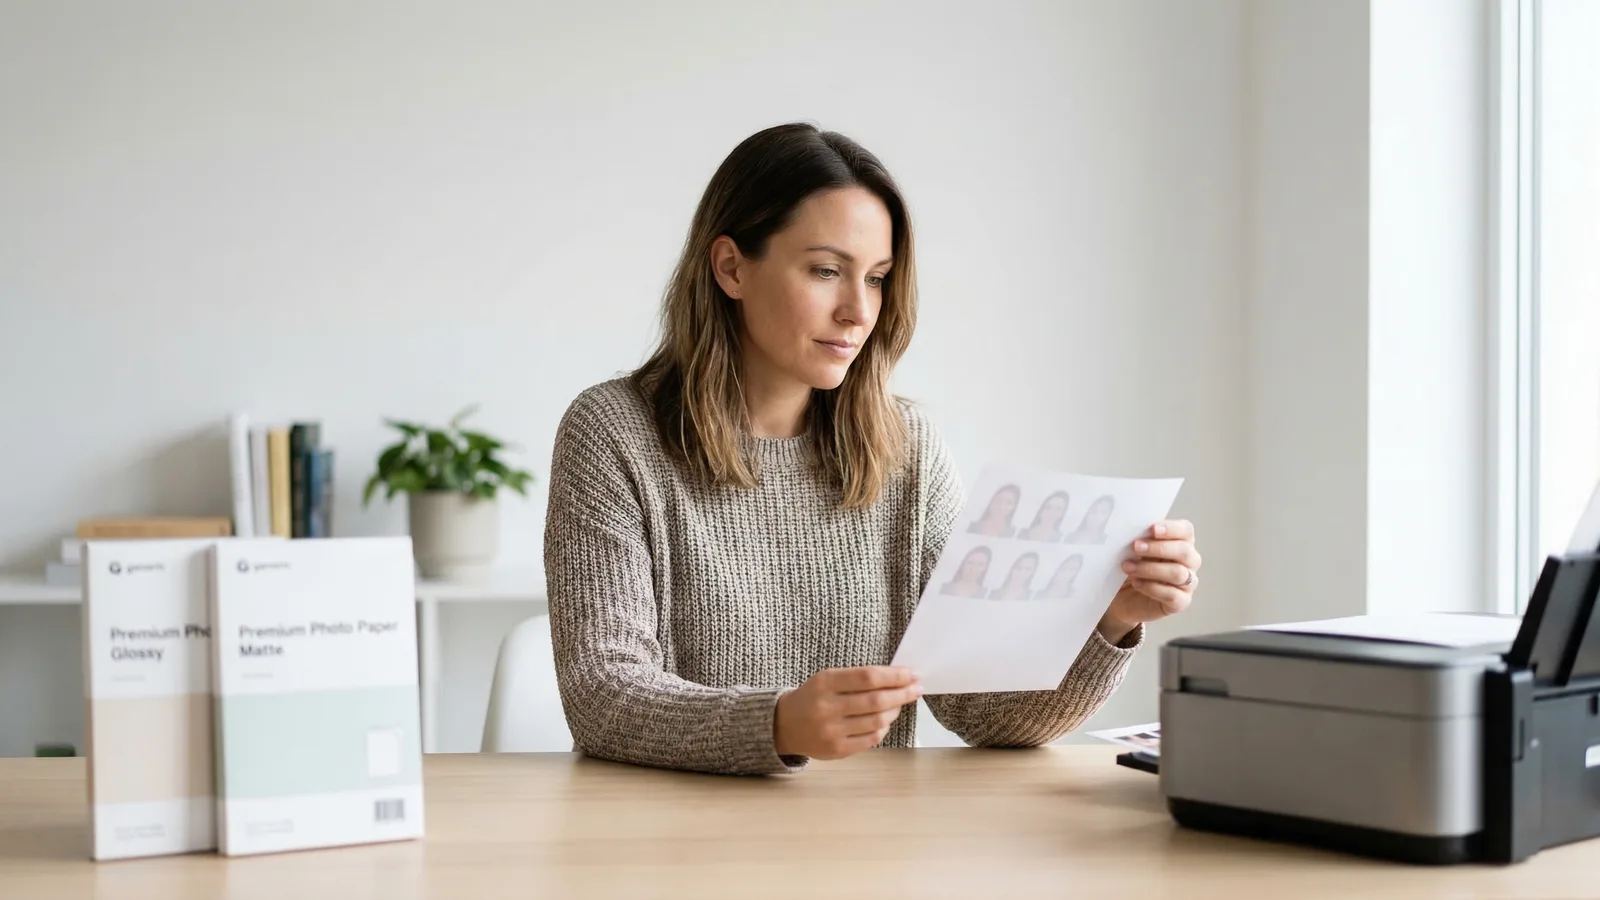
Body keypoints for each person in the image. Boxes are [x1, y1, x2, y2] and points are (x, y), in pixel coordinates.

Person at [543, 122, 1203, 776]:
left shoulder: (906, 449)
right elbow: (603, 694)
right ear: (731, 267)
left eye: (879, 277)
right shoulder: (613, 432)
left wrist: (1110, 619)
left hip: (871, 850)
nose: (860, 311)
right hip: (671, 850)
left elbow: (987, 715)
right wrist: (776, 724)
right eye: (827, 271)